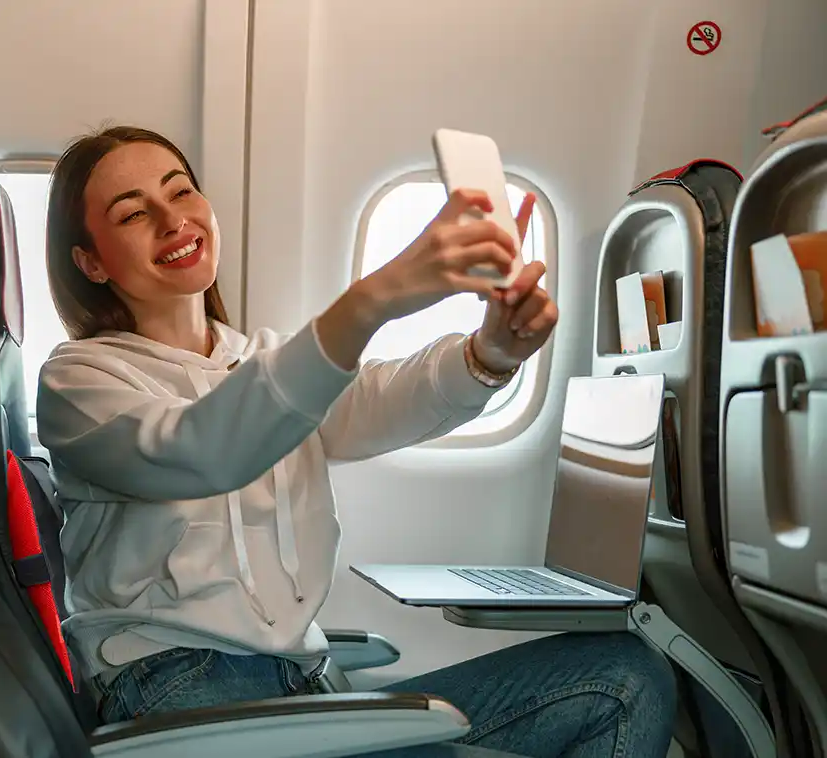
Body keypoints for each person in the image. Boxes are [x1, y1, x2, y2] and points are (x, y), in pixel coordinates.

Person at [36, 126, 677, 757]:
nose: (171, 220)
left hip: (301, 689)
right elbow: (201, 450)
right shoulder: (80, 381)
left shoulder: (257, 359)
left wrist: (490, 354)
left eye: (180, 192)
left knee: (622, 675)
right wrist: (375, 299)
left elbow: (371, 401)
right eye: (132, 214)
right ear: (90, 261)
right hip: (180, 698)